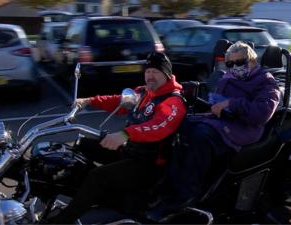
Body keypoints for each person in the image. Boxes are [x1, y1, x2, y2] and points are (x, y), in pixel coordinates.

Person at [148, 41, 281, 220]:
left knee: (201, 136)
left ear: (251, 60)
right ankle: (169, 186)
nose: (234, 67)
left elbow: (262, 114)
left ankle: (188, 195)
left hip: (243, 127)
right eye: (230, 64)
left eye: (239, 62)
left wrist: (231, 104)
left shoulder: (266, 82)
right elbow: (215, 96)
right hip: (222, 121)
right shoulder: (229, 76)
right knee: (180, 127)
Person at [48, 52, 187, 224]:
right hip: (130, 151)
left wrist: (125, 134)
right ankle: (86, 195)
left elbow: (159, 127)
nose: (150, 76)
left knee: (98, 176)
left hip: (148, 165)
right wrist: (89, 101)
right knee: (81, 144)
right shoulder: (144, 92)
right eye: (148, 71)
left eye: (156, 72)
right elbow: (118, 102)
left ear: (166, 74)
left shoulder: (173, 102)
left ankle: (62, 220)